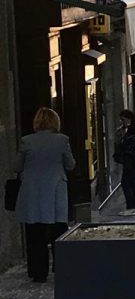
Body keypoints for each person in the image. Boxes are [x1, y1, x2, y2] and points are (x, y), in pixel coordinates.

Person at [14, 107, 74, 282]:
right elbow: (70, 165)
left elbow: (17, 167)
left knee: (35, 232)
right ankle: (61, 267)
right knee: (59, 230)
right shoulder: (63, 140)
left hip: (33, 191)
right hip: (56, 190)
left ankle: (38, 271)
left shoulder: (26, 141)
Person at [115, 110, 135, 216]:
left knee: (126, 182)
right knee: (132, 182)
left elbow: (129, 143)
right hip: (131, 158)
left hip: (130, 158)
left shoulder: (132, 131)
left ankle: (131, 206)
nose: (122, 122)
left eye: (123, 119)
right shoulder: (130, 130)